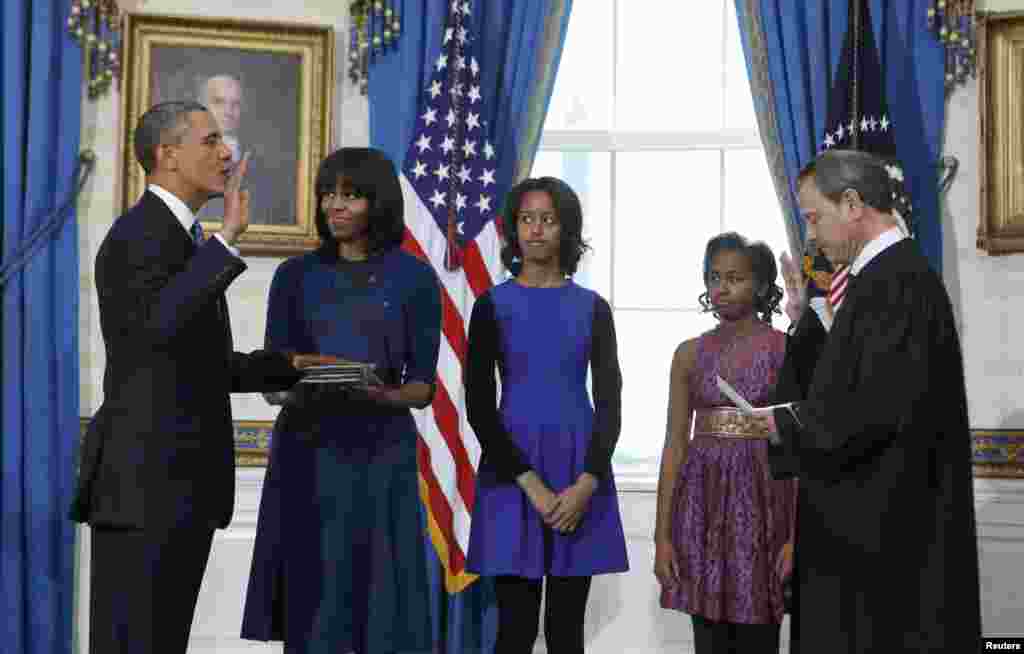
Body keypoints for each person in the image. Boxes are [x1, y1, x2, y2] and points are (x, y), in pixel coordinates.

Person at [70, 100, 335, 654]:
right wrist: (227, 238)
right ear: (167, 155)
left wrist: (287, 365)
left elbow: (193, 363)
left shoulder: (183, 238)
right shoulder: (138, 234)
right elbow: (153, 335)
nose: (226, 153)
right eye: (210, 140)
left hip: (177, 490)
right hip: (144, 487)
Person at [767, 149, 981, 653]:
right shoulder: (886, 280)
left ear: (852, 204)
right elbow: (854, 385)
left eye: (814, 217)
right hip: (876, 535)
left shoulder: (896, 284)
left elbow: (867, 413)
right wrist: (807, 324)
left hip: (881, 549)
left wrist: (783, 428)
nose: (811, 235)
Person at [241, 147, 442, 654]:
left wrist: (383, 394)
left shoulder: (415, 278)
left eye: (350, 195)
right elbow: (273, 378)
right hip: (307, 451)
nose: (335, 205)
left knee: (382, 606)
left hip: (380, 451)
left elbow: (422, 387)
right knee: (314, 601)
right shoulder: (294, 275)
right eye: (328, 193)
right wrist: (287, 383)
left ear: (379, 201)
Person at [464, 177, 629, 654]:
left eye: (548, 220)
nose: (535, 230)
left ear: (566, 230)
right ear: (513, 229)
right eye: (526, 219)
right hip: (511, 472)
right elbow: (479, 407)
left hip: (579, 470)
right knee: (513, 631)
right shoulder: (490, 306)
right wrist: (531, 484)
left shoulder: (593, 308)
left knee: (566, 632)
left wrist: (587, 483)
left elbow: (610, 403)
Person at [653, 232, 795, 653]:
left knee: (759, 636)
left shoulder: (784, 350)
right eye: (714, 277)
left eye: (735, 278)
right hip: (701, 508)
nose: (722, 287)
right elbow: (675, 445)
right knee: (708, 638)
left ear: (762, 286)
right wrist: (663, 536)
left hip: (764, 506)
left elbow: (800, 451)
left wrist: (795, 537)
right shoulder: (688, 354)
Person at [194, 72, 297, 226]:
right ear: (202, 106)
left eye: (235, 104)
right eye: (219, 102)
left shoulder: (264, 166)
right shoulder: (187, 159)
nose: (228, 112)